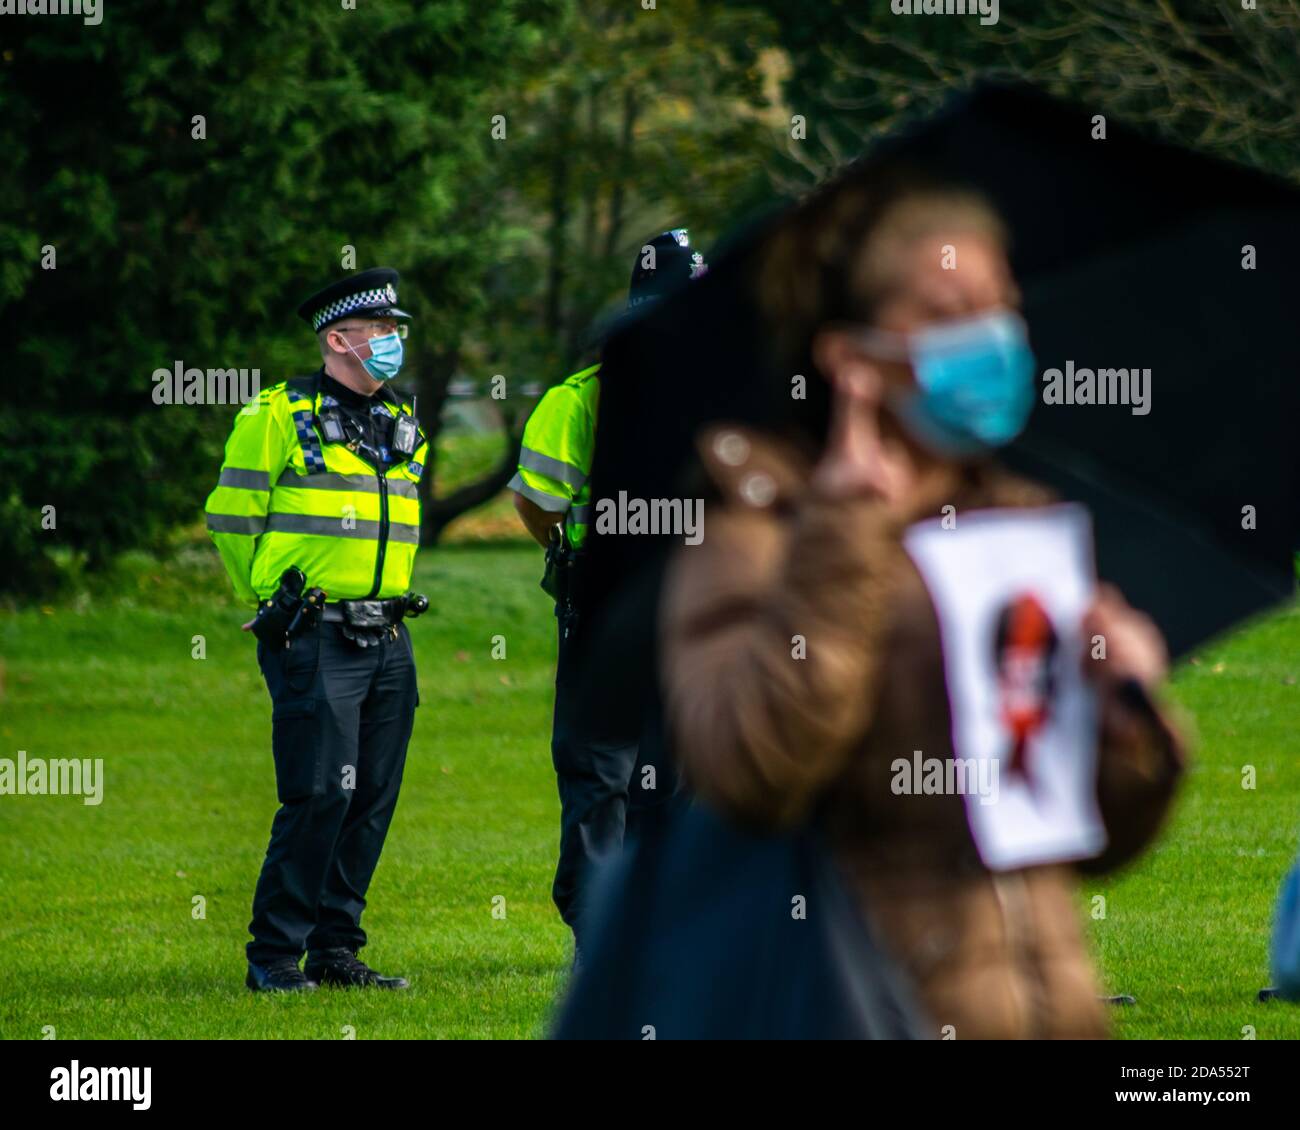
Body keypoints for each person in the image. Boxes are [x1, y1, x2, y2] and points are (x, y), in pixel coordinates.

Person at [657, 186, 1187, 1038]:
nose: (996, 340)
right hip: (856, 1009)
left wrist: (1125, 705)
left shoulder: (1015, 521)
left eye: (1003, 307)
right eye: (953, 312)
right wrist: (839, 540)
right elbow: (752, 771)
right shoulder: (757, 526)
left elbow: (1089, 844)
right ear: (851, 358)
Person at [204, 267, 429, 992]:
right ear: (339, 338)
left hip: (390, 634)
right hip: (315, 631)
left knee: (370, 798)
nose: (394, 342)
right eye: (382, 332)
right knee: (319, 793)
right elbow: (232, 515)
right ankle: (274, 956)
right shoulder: (276, 414)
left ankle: (336, 951)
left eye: (397, 331)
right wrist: (267, 601)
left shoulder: (402, 421)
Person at [509, 230, 707, 959]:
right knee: (601, 771)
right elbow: (538, 502)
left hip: (693, 604)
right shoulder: (583, 400)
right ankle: (598, 925)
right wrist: (571, 558)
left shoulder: (723, 396)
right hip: (613, 606)